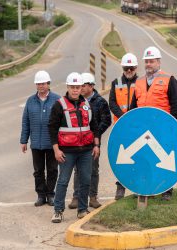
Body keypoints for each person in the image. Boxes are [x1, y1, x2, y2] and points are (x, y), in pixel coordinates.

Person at [130, 46, 177, 201]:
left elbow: (176, 104)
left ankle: (166, 189)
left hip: (162, 128)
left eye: (151, 61)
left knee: (164, 159)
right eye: (146, 61)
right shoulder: (138, 81)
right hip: (144, 129)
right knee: (145, 158)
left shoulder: (169, 79)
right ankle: (148, 188)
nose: (148, 64)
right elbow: (134, 105)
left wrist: (169, 124)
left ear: (159, 62)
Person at [49, 72, 100, 223]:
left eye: (78, 87)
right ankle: (58, 211)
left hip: (86, 151)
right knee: (63, 181)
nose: (75, 90)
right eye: (72, 87)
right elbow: (52, 128)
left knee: (85, 180)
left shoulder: (87, 104)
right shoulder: (59, 105)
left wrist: (96, 145)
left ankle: (82, 210)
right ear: (68, 87)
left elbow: (94, 126)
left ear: (81, 88)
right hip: (66, 152)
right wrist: (56, 149)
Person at [68, 72, 112, 209]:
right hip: (78, 141)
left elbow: (106, 120)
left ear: (92, 86)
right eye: (80, 85)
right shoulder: (76, 101)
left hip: (93, 143)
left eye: (84, 85)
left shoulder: (100, 102)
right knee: (77, 170)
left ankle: (92, 197)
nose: (81, 88)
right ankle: (76, 196)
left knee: (93, 170)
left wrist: (95, 134)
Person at [20, 70, 60, 207]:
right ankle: (41, 195)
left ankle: (50, 195)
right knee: (38, 171)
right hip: (36, 143)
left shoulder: (57, 100)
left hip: (52, 143)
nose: (41, 86)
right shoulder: (31, 101)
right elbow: (26, 121)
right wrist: (23, 140)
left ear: (48, 84)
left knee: (52, 170)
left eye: (43, 83)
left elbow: (62, 121)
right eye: (38, 84)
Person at [108, 52, 138, 200]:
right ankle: (121, 187)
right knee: (122, 158)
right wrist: (123, 116)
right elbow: (112, 103)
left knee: (138, 157)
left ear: (136, 68)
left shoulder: (142, 83)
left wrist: (131, 118)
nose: (129, 71)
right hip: (121, 126)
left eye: (131, 68)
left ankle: (138, 187)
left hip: (136, 127)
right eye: (126, 68)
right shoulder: (116, 82)